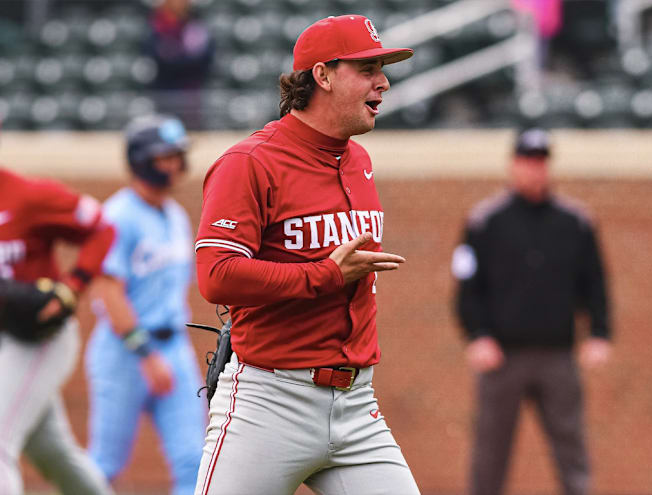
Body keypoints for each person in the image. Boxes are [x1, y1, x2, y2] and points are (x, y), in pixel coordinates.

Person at [193, 14, 419, 495]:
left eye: (382, 67)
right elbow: (216, 276)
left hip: (357, 402)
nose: (383, 81)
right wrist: (324, 276)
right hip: (271, 402)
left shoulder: (358, 160)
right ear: (322, 75)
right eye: (367, 68)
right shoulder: (249, 162)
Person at [452, 128, 613, 495]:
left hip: (558, 356)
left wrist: (600, 333)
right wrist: (477, 336)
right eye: (527, 161)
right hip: (502, 358)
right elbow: (467, 289)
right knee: (490, 450)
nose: (535, 170)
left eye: (541, 162)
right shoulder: (485, 222)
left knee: (571, 446)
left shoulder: (575, 222)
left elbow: (595, 282)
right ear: (513, 165)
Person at [85, 114, 206, 495]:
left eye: (176, 156)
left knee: (195, 460)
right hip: (125, 350)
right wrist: (146, 354)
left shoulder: (174, 214)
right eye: (162, 157)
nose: (172, 164)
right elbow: (107, 292)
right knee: (104, 465)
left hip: (173, 346)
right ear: (141, 160)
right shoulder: (118, 215)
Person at [0, 167, 115, 495]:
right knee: (55, 455)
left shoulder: (26, 196)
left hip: (36, 339)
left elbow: (102, 227)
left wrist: (74, 283)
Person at [145, 0, 215, 128]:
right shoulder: (156, 27)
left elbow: (205, 59)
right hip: (165, 94)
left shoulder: (195, 26)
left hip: (193, 94)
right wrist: (185, 60)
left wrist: (175, 57)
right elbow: (160, 60)